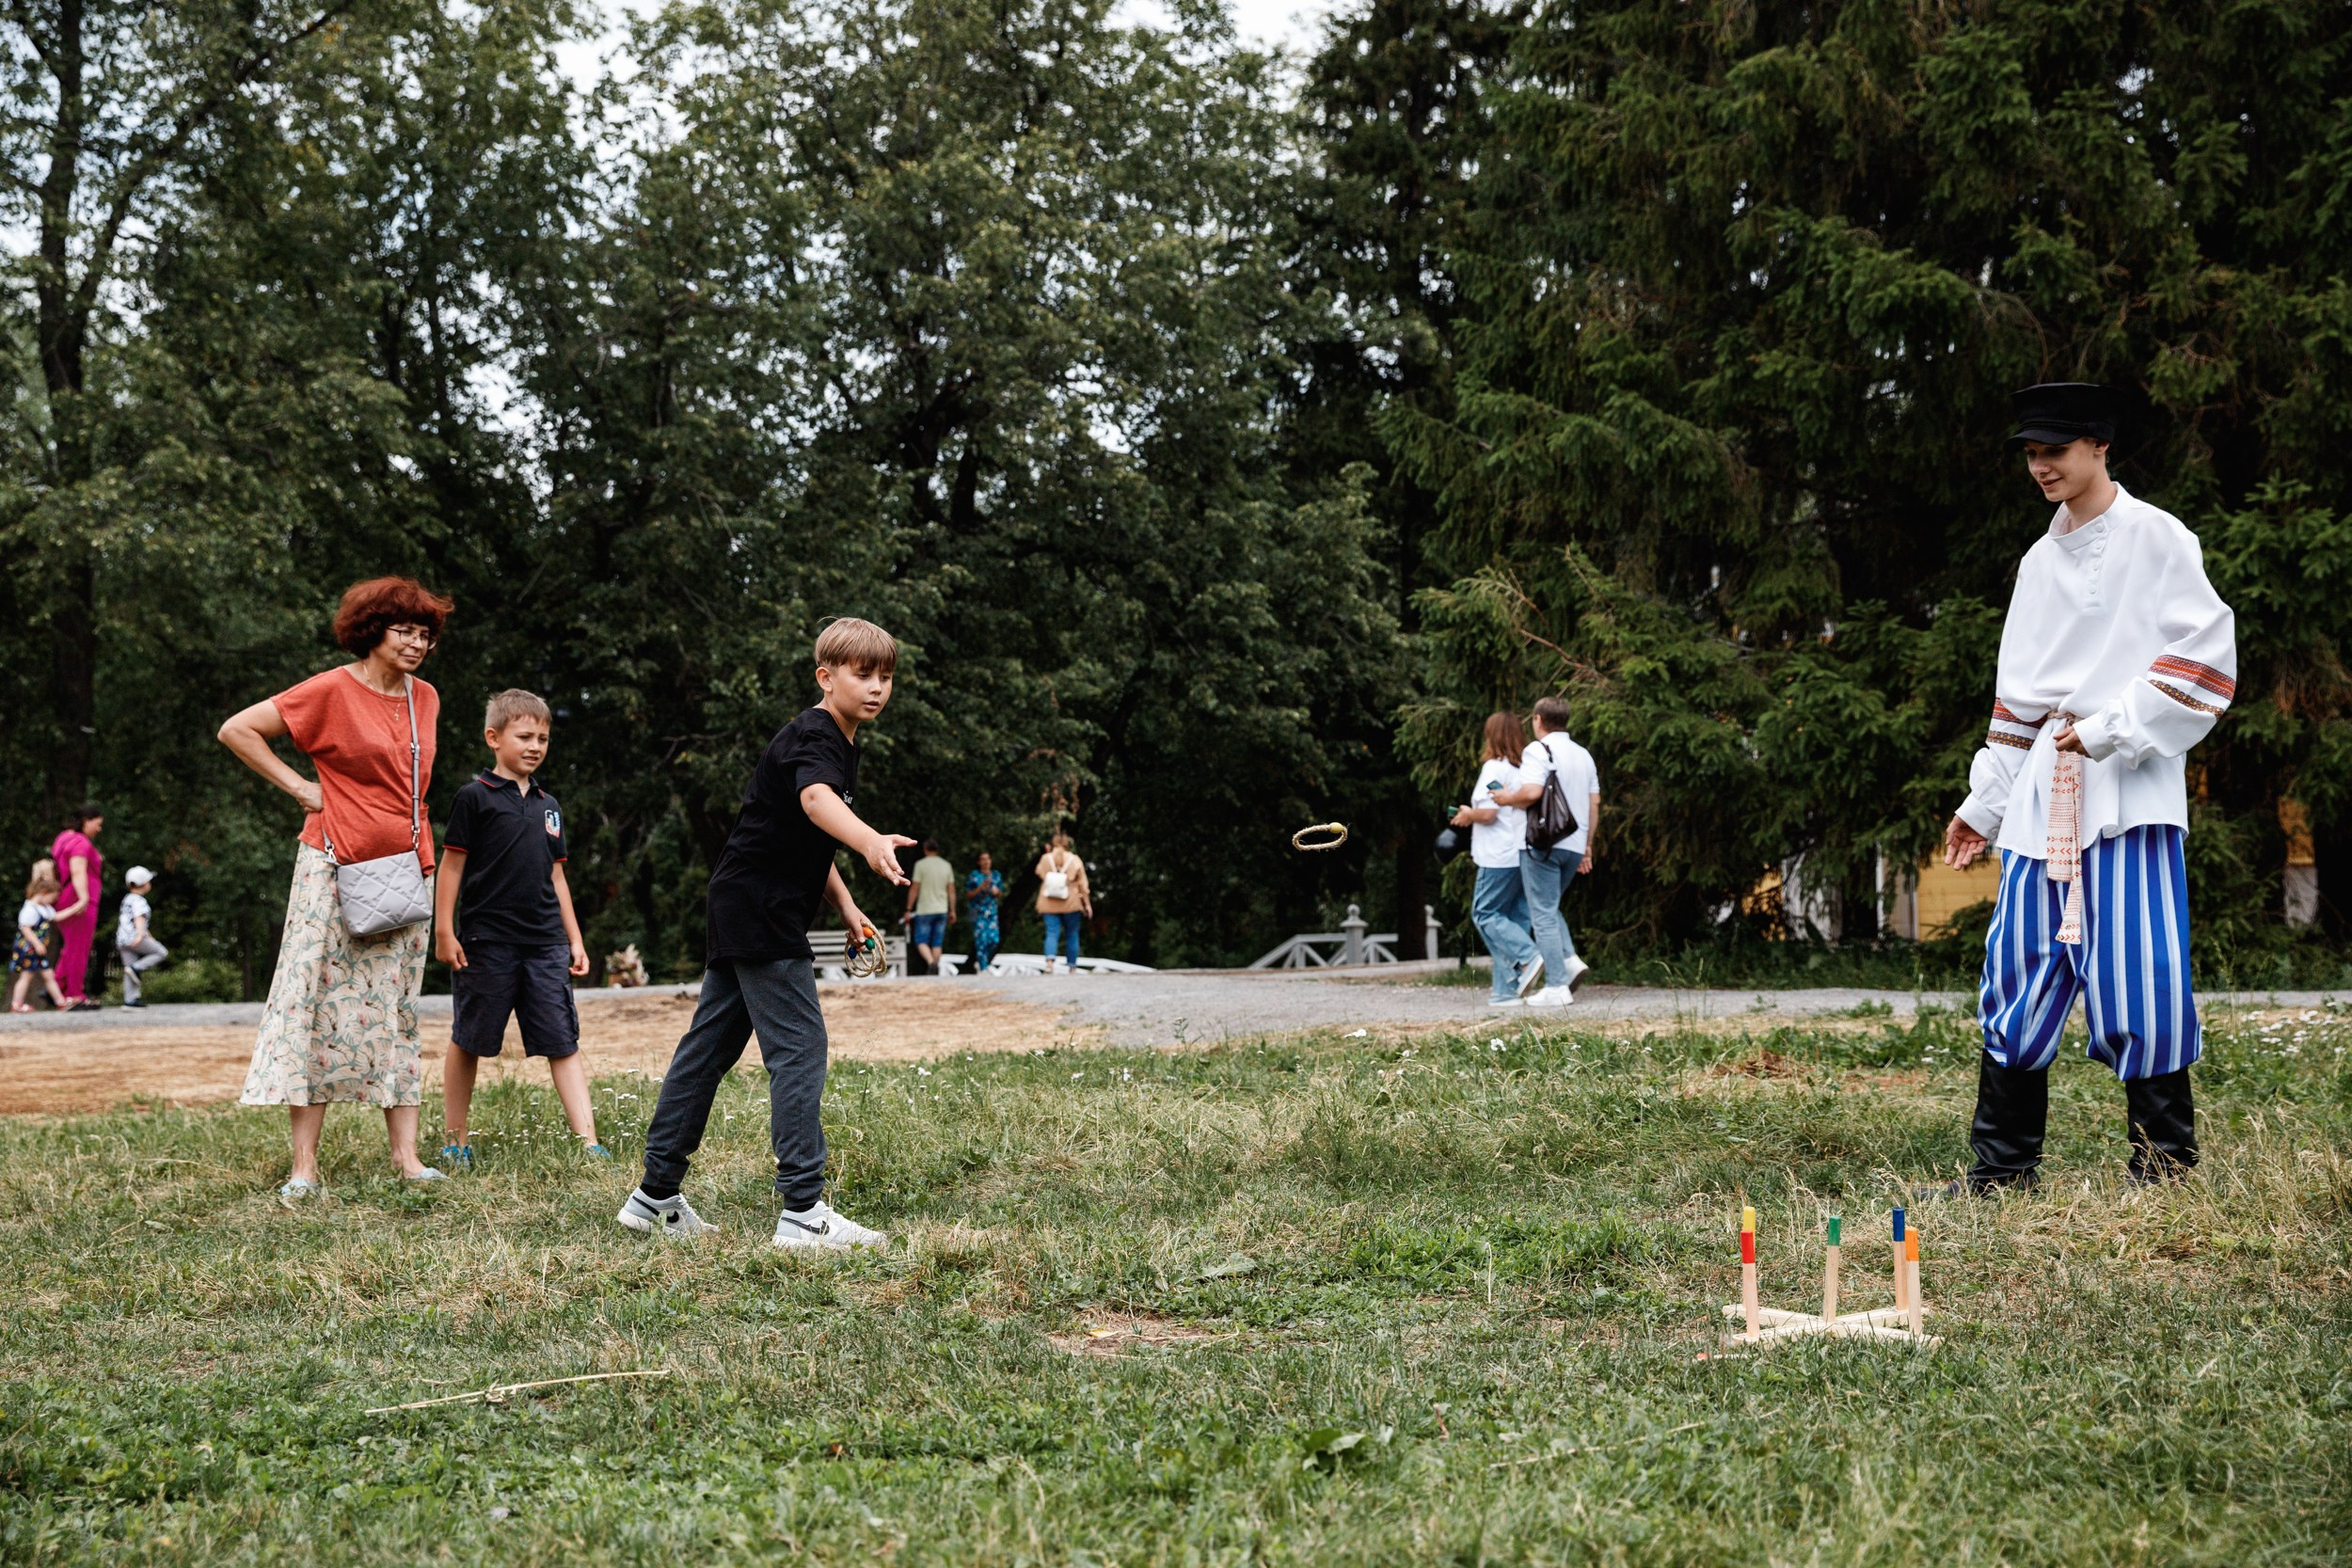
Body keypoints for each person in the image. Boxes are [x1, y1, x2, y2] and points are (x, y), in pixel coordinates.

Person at [1937, 382, 2234, 1195]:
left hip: (2128, 792)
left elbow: (2207, 661)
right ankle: (2001, 1170)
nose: (2040, 466)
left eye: (2055, 450)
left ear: (2100, 446)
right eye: (2031, 452)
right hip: (2041, 798)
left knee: (2140, 972)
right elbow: (2016, 704)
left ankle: (2164, 1168)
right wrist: (1982, 805)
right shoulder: (2039, 560)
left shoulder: (2158, 538)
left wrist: (2110, 728)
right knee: (2020, 966)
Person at [619, 617, 911, 1248]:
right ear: (825, 676)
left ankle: (654, 1197)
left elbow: (809, 836)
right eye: (863, 673)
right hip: (761, 910)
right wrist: (868, 840)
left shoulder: (830, 738)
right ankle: (804, 1212)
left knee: (708, 1049)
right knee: (800, 1048)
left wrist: (849, 907)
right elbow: (816, 806)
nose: (877, 686)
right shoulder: (817, 735)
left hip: (744, 901)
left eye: (885, 675)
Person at [217, 576, 453, 1198]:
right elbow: (237, 729)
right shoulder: (328, 689)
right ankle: (304, 1169)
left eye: (425, 633)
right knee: (315, 1011)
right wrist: (300, 788)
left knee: (396, 1013)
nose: (416, 642)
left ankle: (407, 1157)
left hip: (404, 870)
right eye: (404, 629)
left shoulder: (423, 698)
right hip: (331, 868)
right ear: (371, 629)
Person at [435, 689, 604, 1171]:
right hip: (486, 943)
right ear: (494, 738)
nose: (534, 746)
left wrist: (574, 937)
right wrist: (445, 932)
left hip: (546, 943)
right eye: (524, 736)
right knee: (469, 1038)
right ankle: (455, 1142)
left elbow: (556, 875)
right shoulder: (474, 798)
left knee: (562, 1039)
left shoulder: (550, 806)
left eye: (543, 738)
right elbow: (451, 869)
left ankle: (587, 1141)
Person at [1499, 695, 1600, 1006]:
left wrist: (1505, 798)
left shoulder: (1537, 750)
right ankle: (1568, 961)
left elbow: (1532, 792)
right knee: (1548, 904)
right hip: (1573, 843)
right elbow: (1594, 803)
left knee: (1540, 910)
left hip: (1542, 843)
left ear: (1538, 720)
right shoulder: (1584, 756)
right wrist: (1587, 846)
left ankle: (1557, 986)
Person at [1453, 711, 1544, 1008]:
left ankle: (1528, 957)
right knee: (1514, 919)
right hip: (1522, 851)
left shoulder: (1494, 767)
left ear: (1492, 736)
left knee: (1485, 913)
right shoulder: (1524, 770)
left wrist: (1468, 815)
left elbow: (1490, 814)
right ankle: (1506, 991)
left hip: (1498, 855)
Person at [47, 805, 104, 1009]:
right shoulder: (80, 842)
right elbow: (77, 870)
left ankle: (55, 987)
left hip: (64, 896)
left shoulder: (63, 838)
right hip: (79, 897)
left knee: (71, 946)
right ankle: (75, 995)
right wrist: (83, 898)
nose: (99, 829)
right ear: (86, 821)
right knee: (79, 948)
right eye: (97, 824)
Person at [9, 861, 69, 1014]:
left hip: (37, 949)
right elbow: (25, 928)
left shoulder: (43, 908)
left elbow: (56, 916)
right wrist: (36, 944)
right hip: (30, 948)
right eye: (52, 897)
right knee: (27, 975)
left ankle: (60, 1001)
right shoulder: (30, 908)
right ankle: (17, 1004)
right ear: (43, 892)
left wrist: (76, 908)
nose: (53, 901)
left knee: (48, 974)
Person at [1034, 833, 1091, 974]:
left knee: (1052, 932)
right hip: (1071, 902)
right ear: (1068, 844)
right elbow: (1083, 884)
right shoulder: (1075, 859)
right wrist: (1087, 904)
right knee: (1072, 933)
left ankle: (1049, 963)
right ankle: (1072, 967)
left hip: (1048, 902)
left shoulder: (1046, 858)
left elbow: (1039, 872)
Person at [115, 866, 168, 1008]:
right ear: (145, 884)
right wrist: (140, 935)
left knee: (128, 968)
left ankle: (130, 1001)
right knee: (161, 952)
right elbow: (139, 918)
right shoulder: (140, 901)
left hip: (122, 939)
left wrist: (148, 934)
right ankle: (137, 968)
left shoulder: (127, 899)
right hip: (134, 937)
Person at [904, 839, 955, 974]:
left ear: (925, 849)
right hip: (942, 909)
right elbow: (951, 891)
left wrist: (908, 909)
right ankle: (934, 969)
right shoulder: (946, 865)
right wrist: (953, 910)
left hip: (925, 909)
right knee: (937, 942)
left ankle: (931, 963)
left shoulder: (921, 865)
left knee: (921, 940)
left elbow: (914, 888)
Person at [964, 851, 1005, 975]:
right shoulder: (974, 876)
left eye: (988, 859)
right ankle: (983, 967)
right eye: (983, 859)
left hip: (992, 911)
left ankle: (982, 962)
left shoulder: (996, 876)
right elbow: (968, 894)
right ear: (979, 862)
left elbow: (1001, 893)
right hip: (977, 911)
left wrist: (996, 891)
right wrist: (979, 889)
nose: (986, 862)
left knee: (994, 940)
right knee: (980, 940)